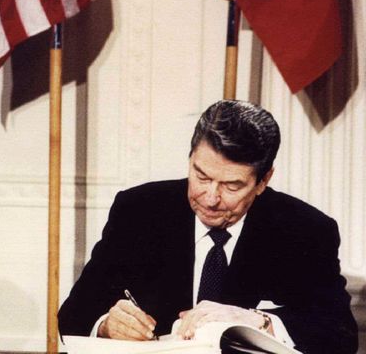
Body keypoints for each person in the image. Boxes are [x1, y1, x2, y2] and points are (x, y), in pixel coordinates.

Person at [58, 100, 357, 354]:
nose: (211, 198)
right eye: (201, 176)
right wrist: (107, 325)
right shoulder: (139, 210)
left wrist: (257, 321)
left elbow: (340, 334)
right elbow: (73, 315)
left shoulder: (304, 230)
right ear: (190, 159)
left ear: (263, 181)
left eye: (232, 185)